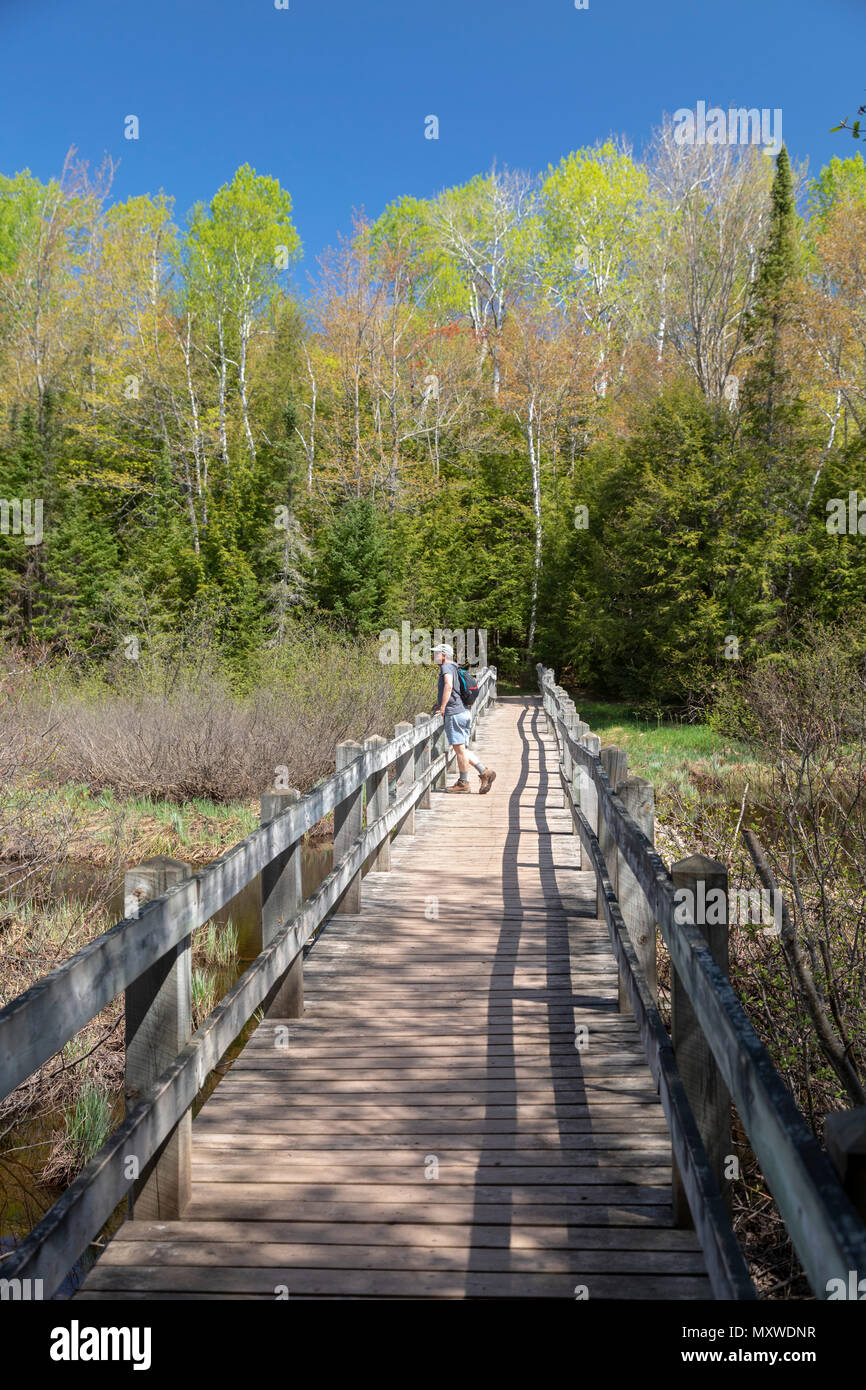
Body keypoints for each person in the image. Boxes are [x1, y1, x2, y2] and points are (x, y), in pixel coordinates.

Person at [432, 643, 496, 794]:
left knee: (459, 750)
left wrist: (442, 708)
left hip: (454, 713)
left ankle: (463, 783)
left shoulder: (446, 667)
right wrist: (440, 701)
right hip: (463, 712)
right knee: (462, 748)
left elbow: (448, 686)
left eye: (436, 654)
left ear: (444, 655)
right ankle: (484, 772)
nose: (433, 656)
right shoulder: (454, 666)